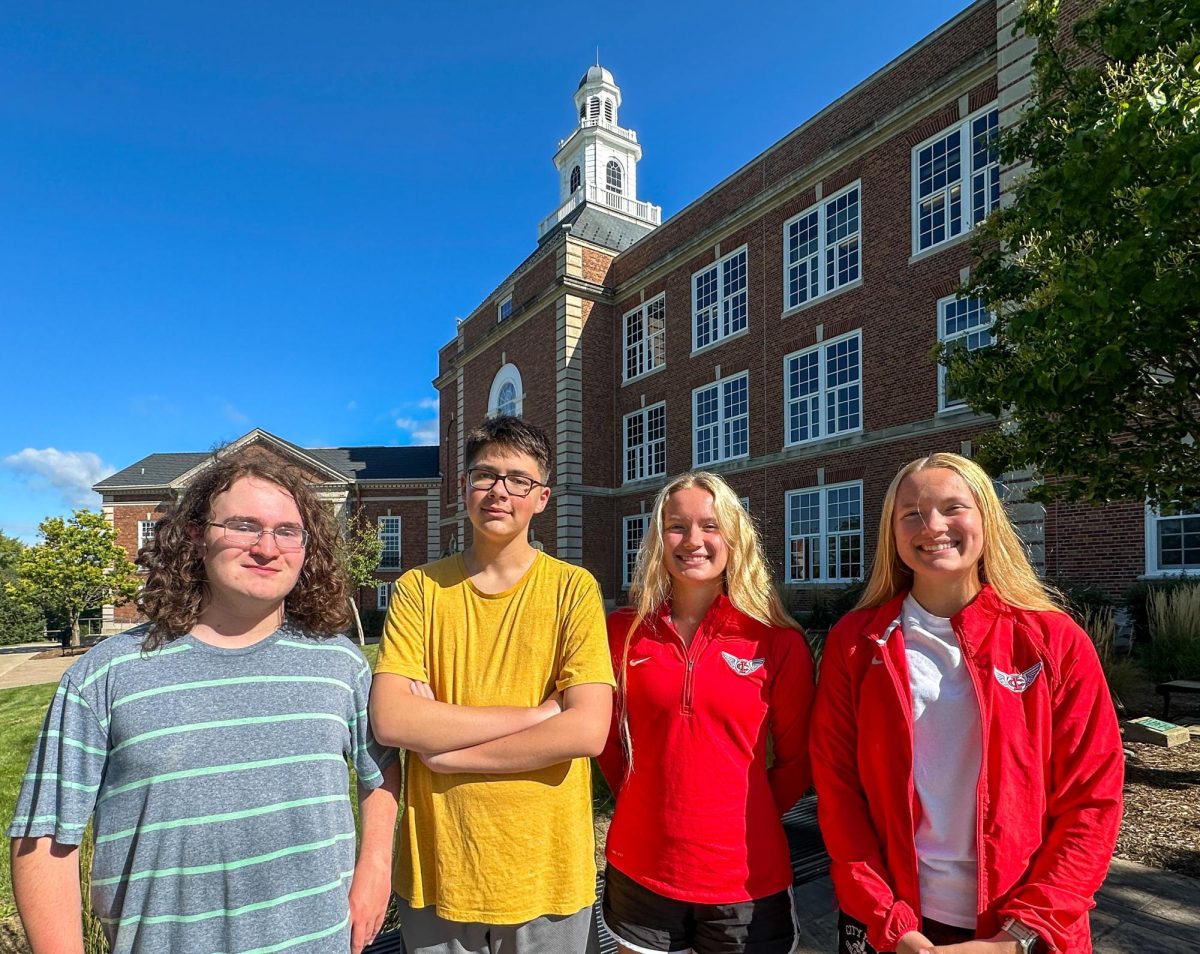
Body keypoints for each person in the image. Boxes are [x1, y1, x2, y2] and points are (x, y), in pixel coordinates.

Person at [9, 447, 400, 954]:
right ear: (196, 534)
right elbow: (42, 839)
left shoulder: (341, 665)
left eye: (287, 531)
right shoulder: (104, 674)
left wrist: (374, 870)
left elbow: (380, 775)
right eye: (243, 525)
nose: (267, 547)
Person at [811, 453, 1123, 954]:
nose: (932, 525)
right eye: (910, 512)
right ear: (892, 532)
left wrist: (1016, 936)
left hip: (1022, 925)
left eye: (952, 507)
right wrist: (889, 922)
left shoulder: (1052, 640)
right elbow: (839, 793)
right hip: (896, 922)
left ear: (985, 519)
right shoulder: (857, 642)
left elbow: (1092, 800)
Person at [370, 415, 615, 954]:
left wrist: (445, 753)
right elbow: (391, 719)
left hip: (545, 874)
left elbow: (587, 732)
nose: (499, 491)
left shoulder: (572, 590)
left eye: (518, 479)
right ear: (464, 489)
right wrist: (538, 715)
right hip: (439, 869)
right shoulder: (419, 590)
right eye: (485, 475)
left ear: (542, 497)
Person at [597, 471, 815, 954]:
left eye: (710, 526)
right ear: (658, 538)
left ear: (734, 538)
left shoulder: (777, 641)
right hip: (642, 867)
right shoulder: (622, 632)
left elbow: (798, 764)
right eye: (678, 526)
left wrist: (739, 818)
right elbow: (606, 742)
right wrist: (642, 801)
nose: (693, 540)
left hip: (745, 878)